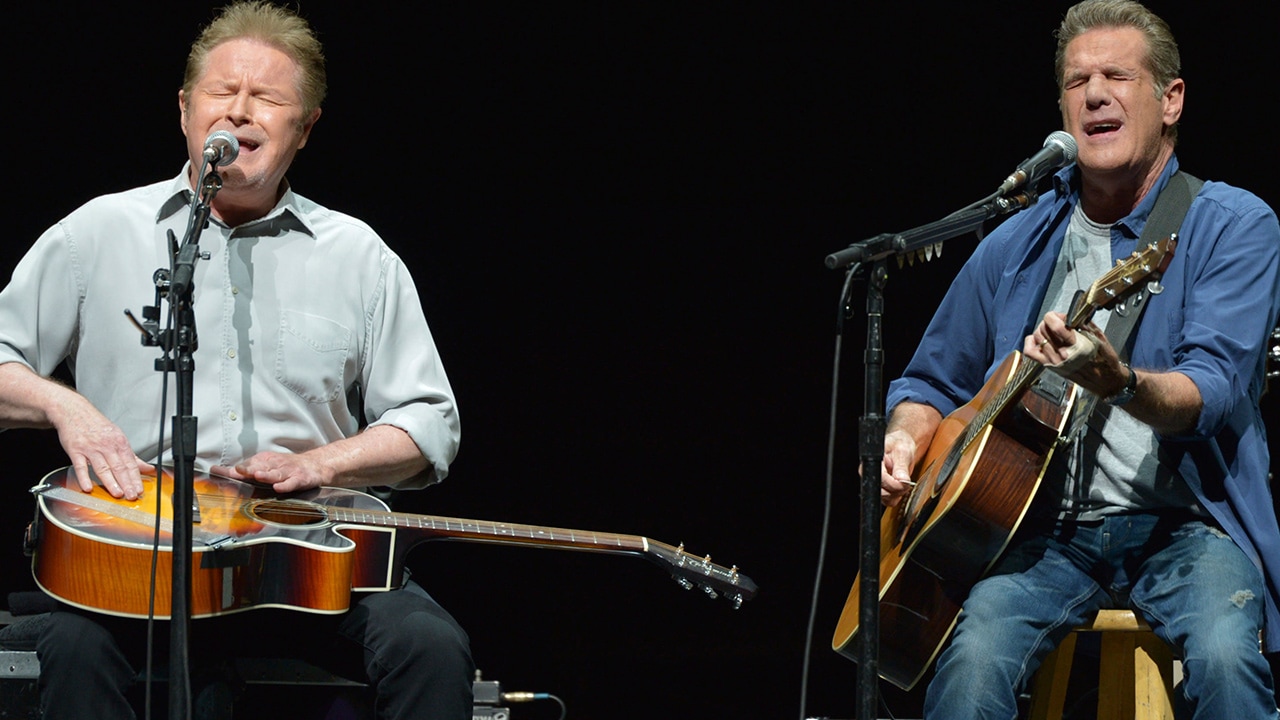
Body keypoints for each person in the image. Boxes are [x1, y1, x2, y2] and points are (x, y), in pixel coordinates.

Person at [0, 2, 472, 718]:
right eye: (223, 94)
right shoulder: (97, 232)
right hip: (134, 560)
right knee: (68, 651)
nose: (240, 114)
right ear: (187, 109)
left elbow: (429, 424)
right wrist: (66, 407)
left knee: (430, 649)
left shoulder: (358, 256)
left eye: (268, 99)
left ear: (306, 127)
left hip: (300, 560)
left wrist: (322, 465)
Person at [876, 0, 1280, 717]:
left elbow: (1210, 390)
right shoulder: (1017, 240)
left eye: (1118, 76)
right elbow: (930, 380)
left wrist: (1117, 381)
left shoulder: (1232, 225)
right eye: (1077, 80)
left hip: (1185, 528)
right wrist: (907, 435)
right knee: (967, 672)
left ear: (1171, 100)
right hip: (1044, 538)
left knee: (1224, 657)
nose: (1094, 94)